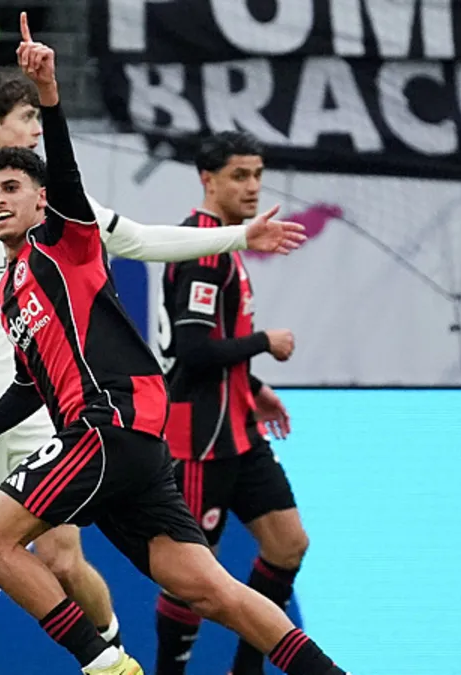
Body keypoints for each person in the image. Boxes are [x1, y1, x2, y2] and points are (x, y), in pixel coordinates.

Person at [0, 16, 349, 675]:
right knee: (209, 589)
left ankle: (103, 663)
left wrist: (49, 96)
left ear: (43, 201)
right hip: (128, 442)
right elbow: (31, 383)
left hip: (109, 421)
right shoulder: (9, 289)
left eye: (12, 188)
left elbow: (67, 174)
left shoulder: (65, 242)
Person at [155, 131, 312, 675]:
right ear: (208, 180)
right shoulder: (203, 250)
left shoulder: (223, 243)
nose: (252, 187)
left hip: (239, 429)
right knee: (193, 576)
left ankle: (245, 669)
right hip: (201, 437)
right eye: (239, 176)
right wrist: (265, 341)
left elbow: (215, 341)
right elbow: (193, 350)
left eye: (258, 175)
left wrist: (254, 386)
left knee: (288, 544)